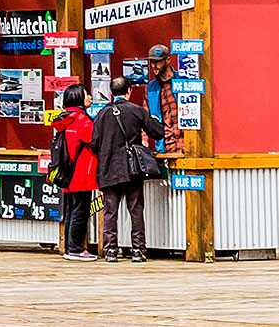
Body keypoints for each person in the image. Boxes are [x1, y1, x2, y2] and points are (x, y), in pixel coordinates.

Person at [93, 76, 164, 261]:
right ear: (129, 91)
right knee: (136, 210)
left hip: (108, 168)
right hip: (132, 168)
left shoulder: (101, 114)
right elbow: (157, 132)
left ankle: (110, 250)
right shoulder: (136, 111)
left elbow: (93, 143)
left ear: (111, 93)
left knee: (110, 211)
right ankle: (138, 251)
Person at [49, 84, 97, 260]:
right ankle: (76, 248)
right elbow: (95, 140)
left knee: (71, 209)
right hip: (81, 172)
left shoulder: (66, 118)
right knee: (80, 209)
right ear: (78, 98)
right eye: (86, 95)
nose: (90, 97)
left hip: (67, 172)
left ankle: (70, 248)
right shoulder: (81, 119)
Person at [144, 45, 183, 156]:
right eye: (152, 62)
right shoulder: (150, 88)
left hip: (185, 143)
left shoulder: (182, 82)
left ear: (167, 60)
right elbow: (145, 118)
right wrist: (144, 141)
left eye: (158, 62)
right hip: (165, 146)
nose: (154, 66)